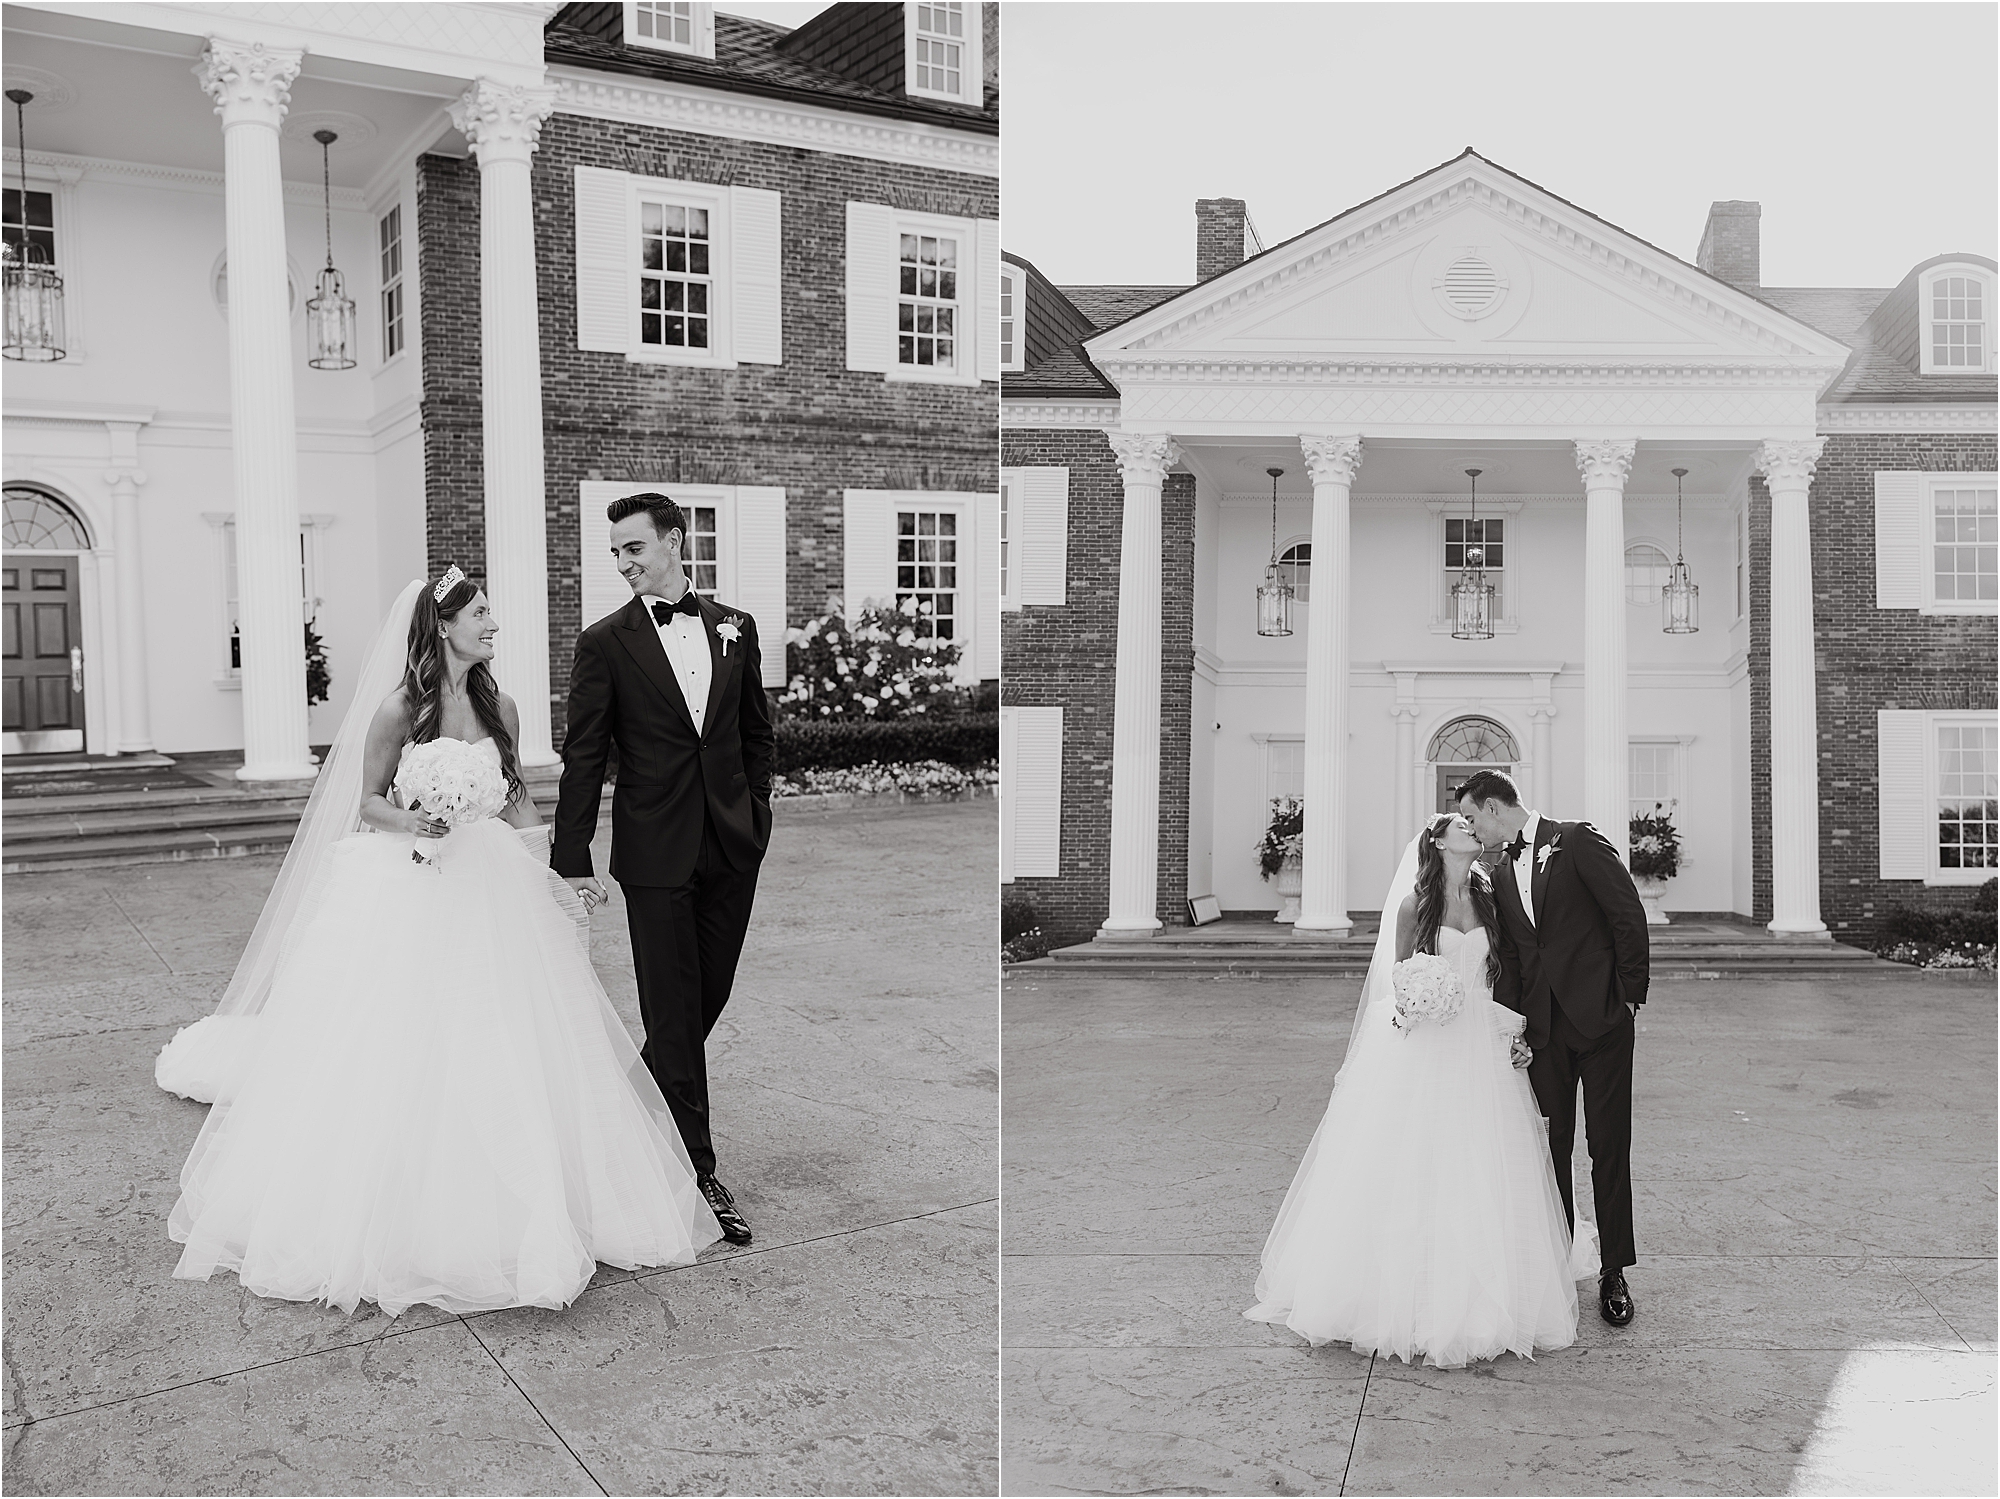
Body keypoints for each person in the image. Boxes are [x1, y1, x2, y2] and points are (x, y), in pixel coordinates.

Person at [155, 569, 721, 1317]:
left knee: (512, 1024)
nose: (493, 624)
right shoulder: (399, 708)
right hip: (411, 883)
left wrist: (559, 872)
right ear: (444, 623)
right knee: (404, 1030)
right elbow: (367, 802)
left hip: (489, 881)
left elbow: (516, 792)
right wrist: (415, 823)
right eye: (481, 613)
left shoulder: (501, 705)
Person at [1245, 812, 1582, 1368]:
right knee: (1418, 1159)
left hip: (1482, 1042)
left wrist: (1513, 1029)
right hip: (1428, 1042)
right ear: (1438, 842)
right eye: (1462, 826)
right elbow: (1401, 976)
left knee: (1482, 1161)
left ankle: (1484, 1290)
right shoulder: (1414, 907)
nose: (1474, 831)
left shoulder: (1489, 897)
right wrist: (1425, 999)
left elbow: (1507, 971)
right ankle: (1409, 1292)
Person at [553, 492, 775, 1247]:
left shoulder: (735, 628)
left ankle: (625, 1115)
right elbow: (584, 754)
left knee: (703, 998)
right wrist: (571, 853)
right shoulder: (604, 644)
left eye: (634, 548)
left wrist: (758, 817)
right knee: (672, 1013)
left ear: (676, 542)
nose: (622, 563)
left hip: (731, 848)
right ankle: (696, 1173)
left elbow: (756, 735)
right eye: (615, 552)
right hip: (652, 857)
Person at [1455, 768, 1650, 1328]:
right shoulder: (1494, 873)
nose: (1472, 828)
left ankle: (1615, 1270)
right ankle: (1558, 1264)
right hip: (1544, 1034)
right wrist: (1513, 1029)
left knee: (1609, 1147)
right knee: (1550, 1151)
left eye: (1472, 817)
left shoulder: (1576, 840)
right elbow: (1515, 959)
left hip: (1603, 1021)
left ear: (1494, 808)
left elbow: (1625, 913)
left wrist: (1630, 995)